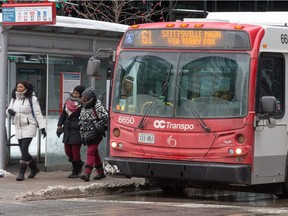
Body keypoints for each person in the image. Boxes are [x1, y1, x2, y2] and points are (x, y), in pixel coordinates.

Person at [6, 80, 46, 181]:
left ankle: (21, 173)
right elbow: (9, 109)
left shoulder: (32, 99)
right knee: (23, 151)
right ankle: (34, 168)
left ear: (26, 88)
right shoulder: (14, 98)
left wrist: (42, 127)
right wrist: (9, 111)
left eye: (21, 87)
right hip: (18, 126)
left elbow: (38, 113)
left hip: (29, 125)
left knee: (24, 150)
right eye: (18, 87)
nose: (19, 89)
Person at [78, 87, 108, 182]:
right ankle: (100, 172)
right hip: (87, 133)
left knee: (90, 152)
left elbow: (106, 118)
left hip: (96, 133)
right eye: (82, 97)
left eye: (85, 97)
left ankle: (87, 172)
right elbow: (81, 118)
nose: (83, 99)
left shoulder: (98, 107)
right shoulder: (83, 107)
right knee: (94, 152)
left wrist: (98, 126)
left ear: (90, 98)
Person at [57, 85, 85, 178]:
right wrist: (59, 125)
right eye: (74, 93)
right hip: (67, 130)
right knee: (68, 150)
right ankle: (78, 164)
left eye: (77, 93)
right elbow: (63, 115)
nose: (75, 95)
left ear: (81, 94)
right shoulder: (68, 102)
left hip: (77, 130)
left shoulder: (83, 104)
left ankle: (76, 170)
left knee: (75, 150)